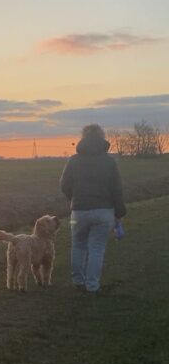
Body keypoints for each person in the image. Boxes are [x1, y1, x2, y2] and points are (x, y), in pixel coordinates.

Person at [60, 123, 126, 293]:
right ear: (102, 138)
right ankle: (92, 285)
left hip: (79, 211)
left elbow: (64, 184)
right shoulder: (109, 162)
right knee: (96, 248)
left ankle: (77, 281)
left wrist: (73, 199)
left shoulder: (74, 160)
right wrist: (119, 214)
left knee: (78, 245)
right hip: (103, 211)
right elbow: (116, 189)